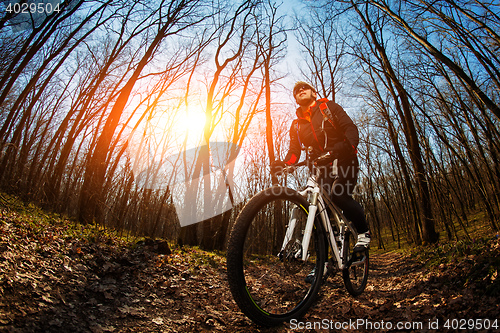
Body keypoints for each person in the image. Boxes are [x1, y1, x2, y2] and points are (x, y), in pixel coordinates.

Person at [272, 81, 370, 250]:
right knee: (318, 211)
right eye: (296, 90)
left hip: (344, 159)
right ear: (295, 98)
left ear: (314, 93)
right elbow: (294, 151)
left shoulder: (328, 108)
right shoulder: (296, 125)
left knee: (338, 195)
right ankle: (323, 263)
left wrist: (345, 147)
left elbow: (350, 128)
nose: (300, 90)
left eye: (305, 88)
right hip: (321, 168)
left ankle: (363, 233)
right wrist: (285, 164)